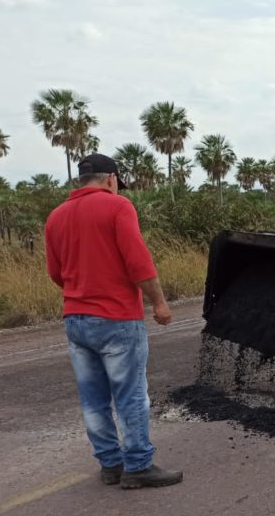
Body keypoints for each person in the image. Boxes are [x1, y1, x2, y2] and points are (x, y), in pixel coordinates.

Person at [45, 154, 183, 489]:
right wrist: (159, 303)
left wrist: (83, 292)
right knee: (131, 395)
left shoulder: (56, 217)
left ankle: (110, 464)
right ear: (112, 179)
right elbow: (138, 261)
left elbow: (55, 273)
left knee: (93, 398)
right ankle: (138, 465)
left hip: (76, 319)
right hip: (117, 318)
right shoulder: (117, 207)